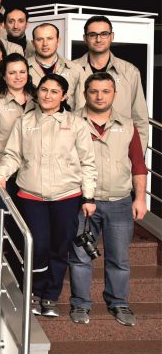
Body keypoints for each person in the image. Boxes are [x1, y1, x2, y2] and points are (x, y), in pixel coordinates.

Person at [0, 74, 97, 318]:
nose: (48, 95)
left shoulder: (77, 124)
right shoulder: (25, 121)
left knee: (60, 247)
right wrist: (1, 173)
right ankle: (34, 291)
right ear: (37, 92)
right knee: (37, 245)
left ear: (64, 96)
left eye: (54, 91)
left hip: (66, 195)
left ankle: (50, 296)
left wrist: (89, 197)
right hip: (32, 195)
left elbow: (88, 162)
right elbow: (12, 155)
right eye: (44, 90)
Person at [69, 72, 149, 327]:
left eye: (106, 91)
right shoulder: (71, 122)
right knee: (80, 256)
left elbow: (138, 164)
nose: (99, 96)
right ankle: (80, 304)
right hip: (83, 202)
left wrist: (140, 198)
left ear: (115, 94)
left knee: (119, 258)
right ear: (85, 93)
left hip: (119, 202)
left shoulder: (127, 125)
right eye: (94, 91)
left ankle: (119, 303)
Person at [0, 53, 36, 228]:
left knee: (29, 221)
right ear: (4, 76)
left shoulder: (39, 99)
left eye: (22, 72)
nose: (18, 77)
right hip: (4, 168)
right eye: (12, 73)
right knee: (1, 216)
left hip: (32, 170)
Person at [73, 15, 148, 146]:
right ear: (85, 38)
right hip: (79, 147)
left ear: (112, 36)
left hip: (118, 148)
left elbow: (140, 119)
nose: (98, 39)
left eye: (104, 34)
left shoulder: (130, 72)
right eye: (92, 35)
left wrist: (137, 153)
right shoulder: (71, 70)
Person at [27, 22, 81, 107]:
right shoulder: (22, 69)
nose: (45, 44)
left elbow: (82, 106)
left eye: (50, 38)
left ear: (58, 41)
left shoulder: (76, 69)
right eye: (39, 39)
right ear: (33, 43)